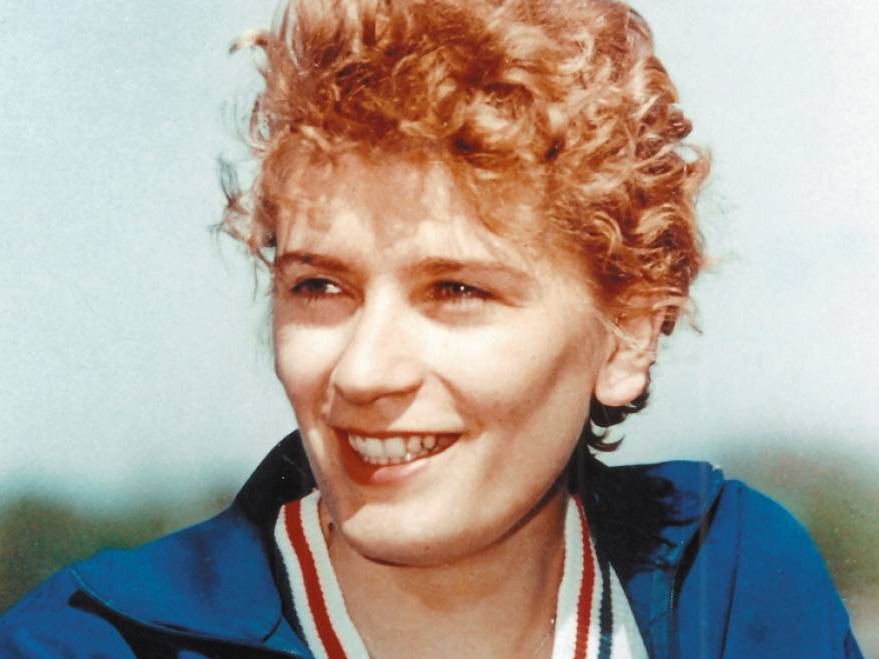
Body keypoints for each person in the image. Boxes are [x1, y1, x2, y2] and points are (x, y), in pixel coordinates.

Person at [0, 0, 863, 657]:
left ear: (626, 334)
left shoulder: (731, 589)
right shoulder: (89, 642)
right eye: (319, 285)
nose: (363, 371)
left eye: (455, 289)